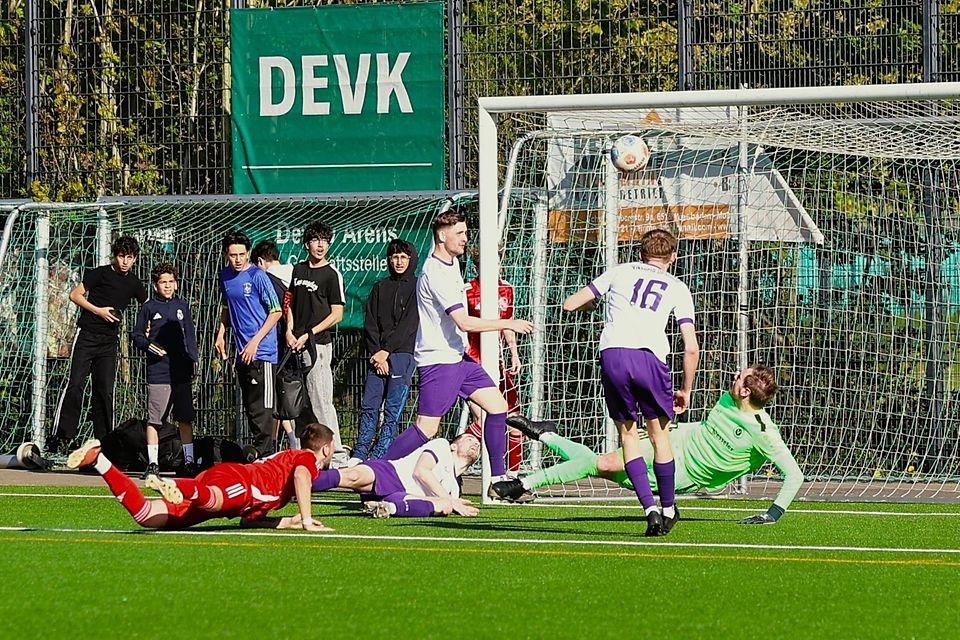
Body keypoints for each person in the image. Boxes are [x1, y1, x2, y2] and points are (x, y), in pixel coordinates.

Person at [491, 365, 805, 525]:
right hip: (668, 443)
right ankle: (522, 483)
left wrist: (772, 514)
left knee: (599, 465)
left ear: (747, 392)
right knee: (603, 464)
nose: (734, 377)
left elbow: (795, 475)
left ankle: (546, 436)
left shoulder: (763, 432)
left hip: (682, 473)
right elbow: (705, 429)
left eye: (740, 377)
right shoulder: (727, 400)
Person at [559, 228, 699, 536]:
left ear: (640, 254)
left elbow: (570, 304)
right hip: (650, 358)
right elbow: (691, 346)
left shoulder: (619, 271)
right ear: (673, 257)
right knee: (660, 437)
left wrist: (590, 305)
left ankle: (649, 509)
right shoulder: (677, 286)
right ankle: (668, 508)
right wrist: (686, 389)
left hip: (614, 355)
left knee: (627, 436)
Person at [387, 208, 533, 490]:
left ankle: (499, 479)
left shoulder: (452, 263)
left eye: (466, 232)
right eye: (460, 233)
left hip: (458, 357)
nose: (466, 238)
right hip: (439, 361)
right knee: (426, 429)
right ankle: (380, 472)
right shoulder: (435, 272)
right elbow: (463, 322)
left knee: (498, 406)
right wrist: (508, 323)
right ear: (442, 236)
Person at [65, 423, 336, 531]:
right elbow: (302, 475)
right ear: (325, 448)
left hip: (224, 484)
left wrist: (288, 521)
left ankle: (99, 460)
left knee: (147, 516)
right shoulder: (307, 459)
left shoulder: (287, 460)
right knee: (216, 500)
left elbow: (246, 522)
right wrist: (308, 519)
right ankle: (176, 486)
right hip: (240, 483)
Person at [49, 235, 149, 454]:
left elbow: (147, 305)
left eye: (130, 257)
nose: (125, 261)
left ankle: (104, 442)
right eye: (122, 256)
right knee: (75, 384)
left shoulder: (134, 283)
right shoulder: (100, 273)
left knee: (104, 390)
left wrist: (149, 324)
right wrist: (98, 310)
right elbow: (75, 295)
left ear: (135, 259)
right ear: (115, 255)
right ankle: (61, 437)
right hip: (87, 336)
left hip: (108, 342)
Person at [350, 238, 419, 464]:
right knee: (369, 405)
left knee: (392, 410)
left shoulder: (417, 287)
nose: (398, 262)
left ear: (411, 259)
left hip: (402, 355)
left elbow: (409, 324)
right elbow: (370, 323)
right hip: (376, 357)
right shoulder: (380, 287)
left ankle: (381, 456)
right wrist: (376, 353)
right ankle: (359, 453)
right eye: (395, 257)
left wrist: (387, 351)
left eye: (403, 257)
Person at [286, 221, 349, 467]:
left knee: (321, 401)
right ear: (306, 244)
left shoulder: (332, 275)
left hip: (318, 347)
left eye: (324, 240)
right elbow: (289, 303)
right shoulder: (298, 270)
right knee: (300, 403)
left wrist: (309, 334)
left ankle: (338, 456)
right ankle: (309, 454)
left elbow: (337, 315)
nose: (320, 245)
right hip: (295, 345)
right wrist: (289, 331)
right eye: (315, 240)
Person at [215, 230, 283, 458]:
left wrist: (255, 341)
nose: (237, 259)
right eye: (233, 255)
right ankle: (260, 457)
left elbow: (276, 311)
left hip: (262, 352)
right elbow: (227, 307)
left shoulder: (258, 276)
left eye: (242, 254)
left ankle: (265, 457)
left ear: (249, 253)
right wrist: (221, 334)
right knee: (251, 408)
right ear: (226, 254)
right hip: (242, 352)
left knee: (264, 409)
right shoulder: (225, 276)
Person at [132, 262, 199, 479]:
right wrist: (150, 346)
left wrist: (192, 361)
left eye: (171, 282)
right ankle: (152, 464)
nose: (167, 286)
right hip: (159, 372)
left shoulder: (182, 306)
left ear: (176, 284)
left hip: (180, 372)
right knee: (155, 419)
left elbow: (190, 336)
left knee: (185, 418)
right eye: (163, 282)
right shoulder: (149, 307)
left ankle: (189, 462)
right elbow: (137, 335)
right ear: (155, 285)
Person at [313, 432, 482, 519]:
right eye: (469, 439)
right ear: (454, 445)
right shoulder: (442, 446)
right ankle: (300, 481)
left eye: (477, 444)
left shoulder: (454, 489)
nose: (474, 443)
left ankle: (388, 508)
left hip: (403, 496)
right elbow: (421, 471)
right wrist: (450, 500)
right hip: (391, 473)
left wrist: (448, 502)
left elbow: (443, 503)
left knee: (444, 506)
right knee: (352, 477)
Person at [464, 244, 524, 475]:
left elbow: (507, 324)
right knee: (483, 419)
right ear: (477, 266)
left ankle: (513, 477)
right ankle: (452, 464)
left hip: (497, 364)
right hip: (472, 363)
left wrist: (513, 352)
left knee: (515, 421)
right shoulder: (467, 289)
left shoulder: (507, 289)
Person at [251, 239, 298, 452]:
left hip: (276, 344)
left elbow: (280, 310)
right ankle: (286, 442)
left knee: (274, 396)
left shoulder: (266, 279)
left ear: (260, 261)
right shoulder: (296, 275)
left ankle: (287, 440)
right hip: (301, 341)